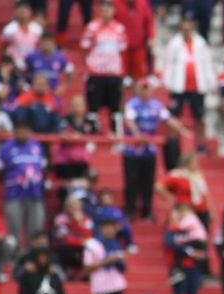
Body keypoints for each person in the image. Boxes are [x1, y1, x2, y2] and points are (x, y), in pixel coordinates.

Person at [123, 79, 189, 221]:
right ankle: (130, 211)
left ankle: (146, 211)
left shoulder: (156, 105)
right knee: (132, 181)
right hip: (132, 150)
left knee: (148, 181)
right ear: (139, 90)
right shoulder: (132, 104)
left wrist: (182, 130)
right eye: (143, 88)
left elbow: (169, 119)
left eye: (148, 89)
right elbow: (129, 121)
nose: (145, 91)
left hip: (149, 150)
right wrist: (137, 136)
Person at [163, 13, 216, 154]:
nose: (186, 28)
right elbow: (169, 63)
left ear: (192, 26)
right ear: (181, 26)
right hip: (179, 85)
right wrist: (167, 81)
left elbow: (207, 64)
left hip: (197, 86)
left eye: (189, 25)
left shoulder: (200, 43)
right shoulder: (174, 43)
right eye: (184, 25)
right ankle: (173, 144)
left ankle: (200, 145)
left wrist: (211, 81)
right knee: (174, 115)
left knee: (199, 116)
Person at [0, 120, 47, 248]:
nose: (22, 133)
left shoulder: (37, 147)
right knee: (13, 232)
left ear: (30, 132)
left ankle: (31, 259)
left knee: (34, 231)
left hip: (35, 195)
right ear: (14, 132)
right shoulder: (6, 148)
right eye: (19, 131)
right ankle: (14, 261)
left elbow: (43, 168)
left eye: (25, 130)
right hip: (14, 196)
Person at [80, 0, 127, 130]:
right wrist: (91, 65)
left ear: (113, 11)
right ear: (100, 10)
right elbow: (84, 49)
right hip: (96, 72)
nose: (106, 11)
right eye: (104, 8)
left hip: (114, 73)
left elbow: (122, 50)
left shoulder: (119, 29)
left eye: (109, 8)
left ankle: (117, 138)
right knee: (93, 108)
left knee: (115, 109)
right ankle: (92, 136)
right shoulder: (92, 27)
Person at [164, 205, 207, 294]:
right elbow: (172, 244)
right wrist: (191, 252)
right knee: (177, 293)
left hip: (194, 267)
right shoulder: (172, 231)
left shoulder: (190, 230)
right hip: (179, 268)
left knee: (192, 293)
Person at [155, 152, 215, 230]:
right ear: (187, 164)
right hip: (186, 211)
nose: (196, 165)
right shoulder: (177, 175)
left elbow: (205, 194)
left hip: (202, 210)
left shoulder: (197, 176)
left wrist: (210, 211)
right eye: (194, 162)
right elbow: (159, 187)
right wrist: (171, 198)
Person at [55, 95, 100, 183]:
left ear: (84, 107)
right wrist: (70, 136)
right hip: (66, 158)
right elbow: (59, 133)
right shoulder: (64, 120)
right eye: (74, 105)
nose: (76, 108)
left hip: (83, 158)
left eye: (78, 105)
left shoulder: (91, 122)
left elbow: (100, 134)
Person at [113, 0, 154, 82]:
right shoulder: (116, 3)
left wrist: (151, 36)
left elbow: (149, 21)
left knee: (138, 78)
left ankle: (136, 94)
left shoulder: (142, 3)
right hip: (121, 48)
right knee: (121, 78)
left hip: (139, 46)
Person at [52, 196, 93, 275]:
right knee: (64, 248)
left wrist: (80, 223)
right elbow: (64, 238)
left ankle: (86, 272)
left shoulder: (87, 219)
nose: (74, 208)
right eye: (72, 206)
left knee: (91, 247)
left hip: (81, 245)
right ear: (67, 207)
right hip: (68, 246)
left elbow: (89, 237)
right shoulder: (60, 218)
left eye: (77, 206)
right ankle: (67, 271)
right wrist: (75, 222)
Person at [0, 1, 42, 71]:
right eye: (20, 12)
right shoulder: (9, 29)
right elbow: (3, 49)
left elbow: (39, 48)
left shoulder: (37, 29)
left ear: (29, 12)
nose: (22, 14)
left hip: (32, 64)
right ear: (15, 12)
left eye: (24, 11)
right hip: (14, 65)